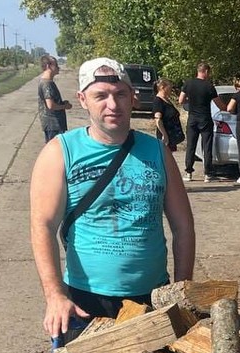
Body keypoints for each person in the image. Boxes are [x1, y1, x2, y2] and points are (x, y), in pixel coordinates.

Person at [29, 57, 196, 338]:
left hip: (152, 298)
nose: (113, 104)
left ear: (132, 97)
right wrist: (55, 296)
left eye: (120, 94)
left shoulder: (158, 152)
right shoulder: (60, 152)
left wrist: (182, 290)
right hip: (86, 301)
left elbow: (183, 227)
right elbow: (42, 226)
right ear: (82, 99)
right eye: (101, 96)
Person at [177, 62, 228, 183]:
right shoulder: (209, 86)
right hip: (205, 119)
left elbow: (180, 100)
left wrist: (190, 101)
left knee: (191, 146)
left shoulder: (188, 84)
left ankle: (188, 172)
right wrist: (229, 109)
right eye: (209, 72)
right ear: (205, 71)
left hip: (192, 118)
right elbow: (220, 105)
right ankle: (207, 174)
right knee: (207, 146)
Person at [37, 54, 71, 142]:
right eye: (56, 65)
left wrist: (62, 103)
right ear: (48, 66)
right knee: (54, 150)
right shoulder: (46, 83)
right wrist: (65, 106)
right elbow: (51, 105)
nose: (58, 67)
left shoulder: (47, 82)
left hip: (53, 124)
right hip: (53, 123)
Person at [152, 78, 184, 154]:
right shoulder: (158, 101)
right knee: (165, 158)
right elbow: (158, 120)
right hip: (165, 136)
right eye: (169, 87)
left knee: (169, 157)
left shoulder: (166, 100)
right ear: (163, 87)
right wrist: (164, 135)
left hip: (172, 135)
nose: (171, 90)